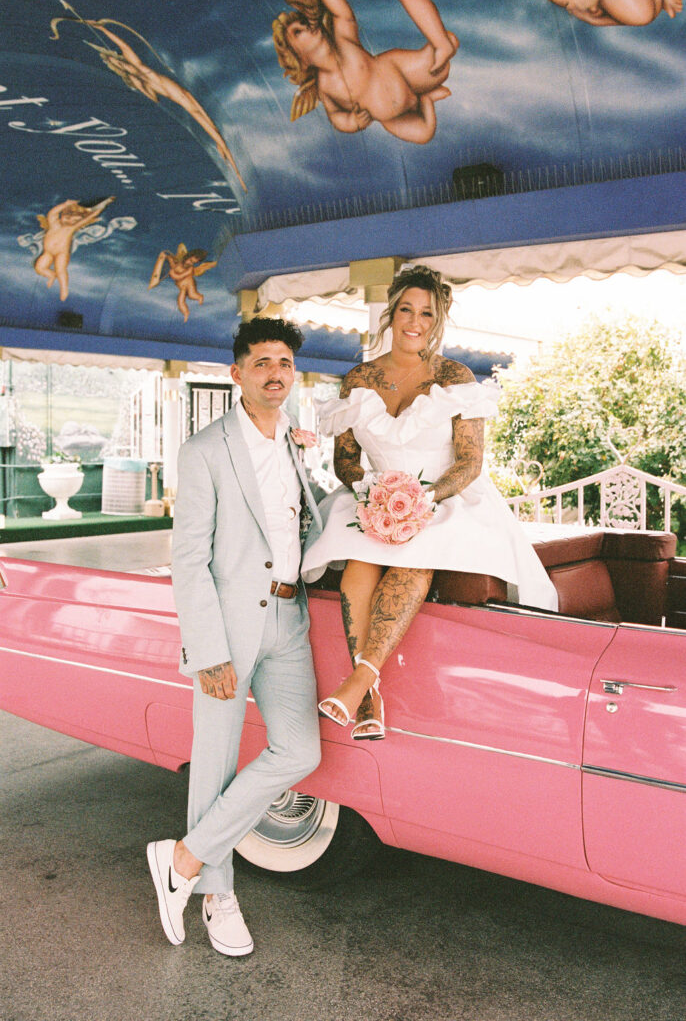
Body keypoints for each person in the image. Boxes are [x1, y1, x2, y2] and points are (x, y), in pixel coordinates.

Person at [301, 265, 558, 740]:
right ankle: (369, 696)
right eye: (406, 310)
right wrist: (373, 493)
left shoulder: (454, 376)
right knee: (360, 560)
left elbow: (469, 462)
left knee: (415, 558)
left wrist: (422, 497)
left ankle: (359, 682)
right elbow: (345, 460)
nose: (414, 322)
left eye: (426, 313)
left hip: (445, 496)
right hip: (373, 495)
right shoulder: (359, 378)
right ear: (390, 314)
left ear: (437, 320)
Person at [147, 317, 322, 956]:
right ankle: (219, 899)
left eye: (285, 363)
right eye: (262, 363)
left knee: (300, 752)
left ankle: (184, 859)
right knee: (214, 766)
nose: (275, 373)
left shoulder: (298, 446)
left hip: (289, 619)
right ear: (237, 373)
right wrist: (208, 650)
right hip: (228, 628)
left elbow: (307, 522)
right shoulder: (204, 450)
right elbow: (189, 557)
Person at [50, 15, 247, 191]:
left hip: (186, 96)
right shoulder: (138, 77)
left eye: (118, 60)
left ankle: (237, 173)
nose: (121, 63)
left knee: (214, 133)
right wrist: (136, 85)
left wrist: (103, 29)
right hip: (184, 102)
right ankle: (237, 173)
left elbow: (124, 47)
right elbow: (154, 99)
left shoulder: (138, 66)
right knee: (212, 133)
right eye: (118, 65)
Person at [272, 0, 459, 144]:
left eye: (303, 22)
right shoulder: (326, 86)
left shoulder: (343, 41)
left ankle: (425, 84)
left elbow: (341, 13)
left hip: (400, 72)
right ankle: (425, 99)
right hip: (392, 117)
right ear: (299, 59)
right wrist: (352, 122)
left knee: (448, 45)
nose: (305, 25)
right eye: (297, 32)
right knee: (423, 133)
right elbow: (335, 116)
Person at [33, 197, 115, 301]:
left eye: (75, 220)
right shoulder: (54, 225)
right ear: (62, 216)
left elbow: (87, 219)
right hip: (48, 252)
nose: (70, 220)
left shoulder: (71, 228)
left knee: (61, 270)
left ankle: (64, 289)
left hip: (61, 253)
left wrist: (99, 209)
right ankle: (51, 275)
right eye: (67, 217)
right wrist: (65, 204)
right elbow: (52, 214)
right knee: (39, 267)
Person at [148, 244, 217, 322]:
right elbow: (172, 265)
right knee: (180, 301)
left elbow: (180, 276)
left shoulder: (190, 269)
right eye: (190, 261)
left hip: (189, 285)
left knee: (191, 295)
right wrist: (166, 257)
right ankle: (186, 313)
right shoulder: (178, 263)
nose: (191, 263)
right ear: (188, 256)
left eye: (193, 263)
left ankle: (200, 297)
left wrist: (173, 274)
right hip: (182, 287)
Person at [545, 0, 682, 25]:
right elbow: (598, 21)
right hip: (647, 10)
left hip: (649, 9)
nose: (569, 7)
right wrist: (589, 18)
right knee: (641, 15)